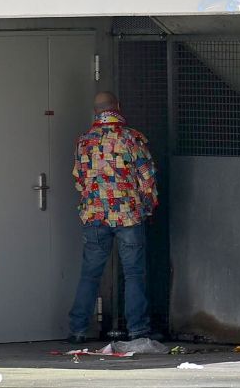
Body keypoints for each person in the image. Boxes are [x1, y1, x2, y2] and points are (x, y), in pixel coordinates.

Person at [67, 91, 159, 343]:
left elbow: (79, 179)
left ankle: (77, 330)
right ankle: (138, 330)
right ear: (117, 107)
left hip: (94, 215)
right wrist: (148, 207)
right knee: (133, 274)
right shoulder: (131, 139)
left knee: (90, 274)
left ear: (96, 111)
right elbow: (147, 178)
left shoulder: (84, 141)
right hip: (128, 215)